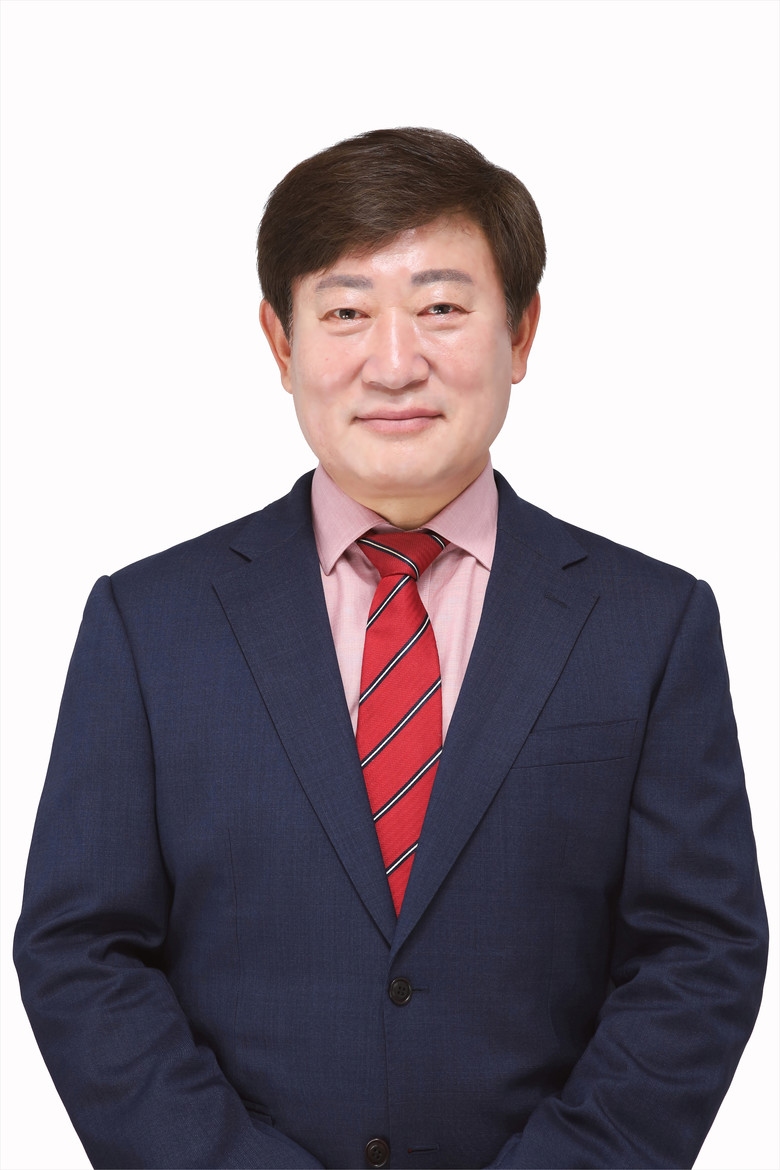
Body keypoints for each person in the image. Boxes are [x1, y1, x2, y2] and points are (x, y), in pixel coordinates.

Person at [14, 127, 767, 1170]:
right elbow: (81, 950)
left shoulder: (650, 622)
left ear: (523, 333)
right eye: (346, 312)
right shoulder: (149, 623)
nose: (397, 362)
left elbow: (699, 953)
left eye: (443, 308)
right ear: (281, 343)